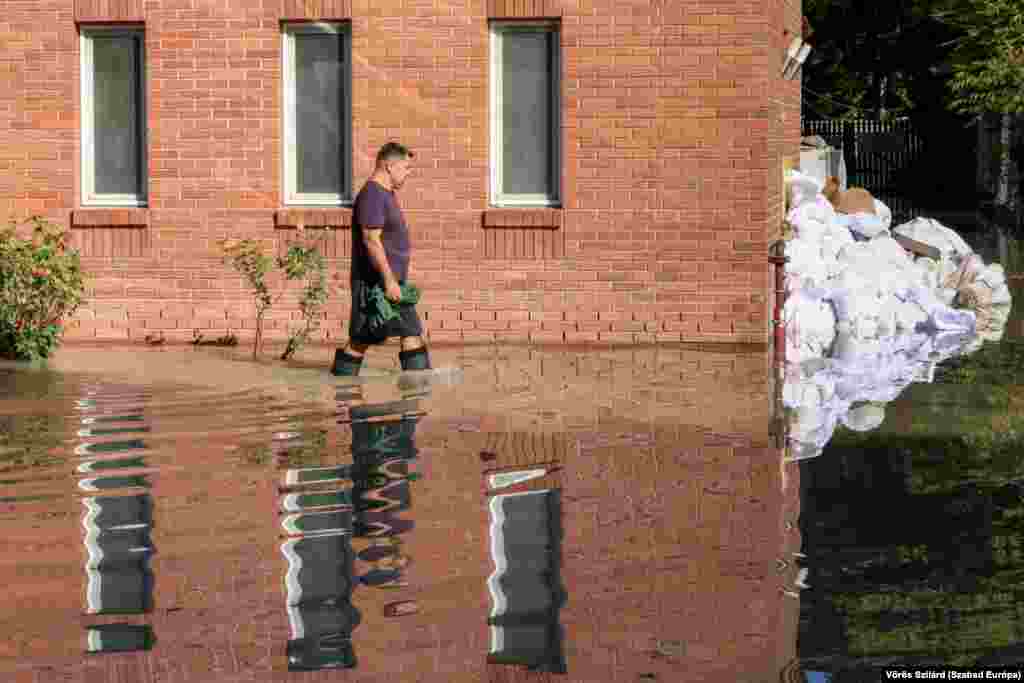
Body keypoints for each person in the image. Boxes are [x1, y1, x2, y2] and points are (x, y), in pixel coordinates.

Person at [332, 142, 431, 376]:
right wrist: (388, 281)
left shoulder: (384, 194)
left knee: (365, 338)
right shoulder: (373, 195)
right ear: (389, 165)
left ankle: (343, 391)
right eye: (406, 167)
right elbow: (371, 240)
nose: (408, 173)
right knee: (406, 333)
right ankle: (417, 394)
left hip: (388, 282)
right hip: (375, 284)